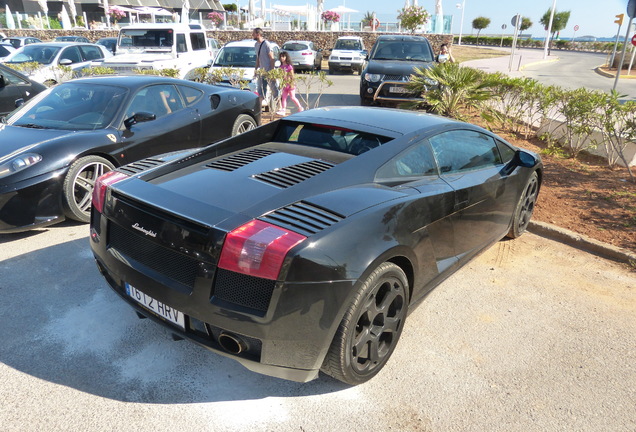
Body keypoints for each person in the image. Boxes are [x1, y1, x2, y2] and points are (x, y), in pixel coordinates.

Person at [252, 27, 277, 105]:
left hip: (269, 71)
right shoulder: (256, 45)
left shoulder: (266, 44)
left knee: (274, 90)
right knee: (261, 91)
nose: (252, 35)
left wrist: (272, 72)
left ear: (258, 34)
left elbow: (272, 58)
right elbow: (258, 59)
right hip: (262, 72)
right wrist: (256, 70)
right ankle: (259, 109)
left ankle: (278, 106)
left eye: (253, 34)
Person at [276, 51, 304, 116]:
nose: (282, 58)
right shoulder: (281, 67)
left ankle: (300, 107)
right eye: (281, 57)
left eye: (283, 56)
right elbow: (280, 76)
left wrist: (291, 83)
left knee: (292, 97)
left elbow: (292, 76)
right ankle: (283, 109)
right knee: (284, 97)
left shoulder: (289, 66)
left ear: (286, 57)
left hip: (290, 84)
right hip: (284, 84)